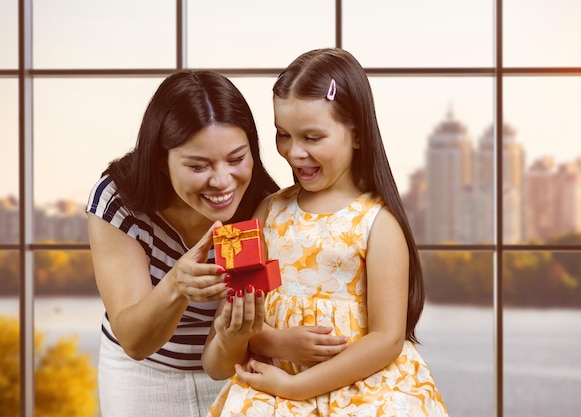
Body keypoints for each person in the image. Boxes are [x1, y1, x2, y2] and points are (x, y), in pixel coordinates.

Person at [204, 48, 448, 416]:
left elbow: (387, 339)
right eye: (283, 134)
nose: (294, 152)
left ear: (357, 135)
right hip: (274, 389)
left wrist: (297, 387)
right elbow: (236, 313)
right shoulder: (268, 211)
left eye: (312, 138)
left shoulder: (378, 223)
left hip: (360, 389)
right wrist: (275, 342)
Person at [86, 70, 323, 417]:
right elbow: (134, 341)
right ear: (160, 161)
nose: (222, 181)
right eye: (198, 166)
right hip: (140, 373)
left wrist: (259, 338)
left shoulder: (262, 207)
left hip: (230, 367)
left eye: (236, 159)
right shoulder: (119, 200)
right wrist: (176, 285)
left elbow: (230, 345)